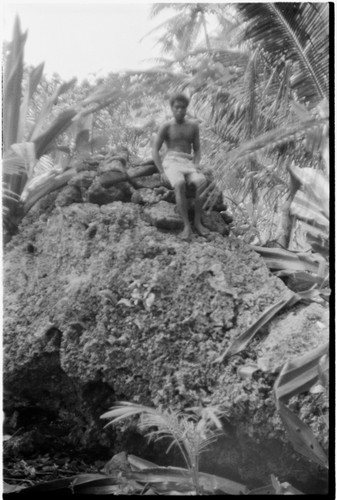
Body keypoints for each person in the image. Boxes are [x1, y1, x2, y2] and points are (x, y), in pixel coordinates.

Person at [152, 93, 209, 241]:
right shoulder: (166, 126)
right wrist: (161, 171)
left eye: (183, 107)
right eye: (177, 107)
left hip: (188, 162)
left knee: (201, 182)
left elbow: (197, 149)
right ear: (171, 108)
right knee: (179, 184)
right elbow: (155, 150)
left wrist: (196, 165)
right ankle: (186, 226)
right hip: (171, 160)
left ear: (186, 109)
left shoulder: (193, 126)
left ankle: (197, 222)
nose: (180, 110)